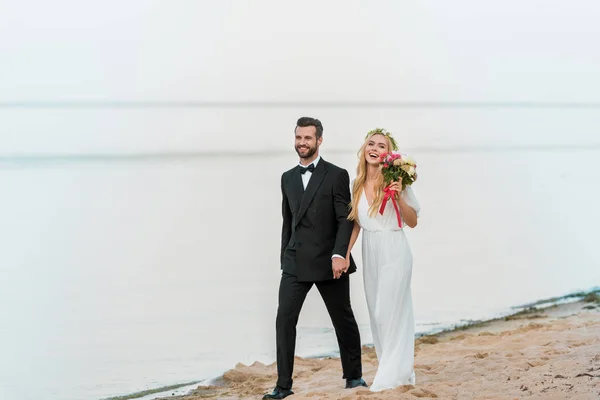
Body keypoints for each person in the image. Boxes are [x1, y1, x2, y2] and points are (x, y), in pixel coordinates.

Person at [263, 117, 367, 399]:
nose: (302, 143)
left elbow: (345, 219)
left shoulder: (336, 174)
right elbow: (288, 221)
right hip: (295, 262)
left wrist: (339, 254)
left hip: (328, 260)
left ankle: (354, 377)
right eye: (298, 137)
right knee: (284, 319)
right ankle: (283, 385)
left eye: (308, 138)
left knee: (342, 317)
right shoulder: (286, 178)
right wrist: (285, 257)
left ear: (319, 140)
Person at [345, 128, 421, 392]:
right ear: (364, 149)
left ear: (389, 155)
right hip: (370, 250)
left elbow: (412, 222)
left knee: (386, 310)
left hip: (394, 249)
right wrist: (344, 253)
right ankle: (396, 371)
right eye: (371, 143)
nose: (375, 148)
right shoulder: (356, 184)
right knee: (378, 317)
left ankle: (389, 376)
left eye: (381, 145)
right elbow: (356, 224)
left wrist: (398, 195)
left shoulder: (398, 180)